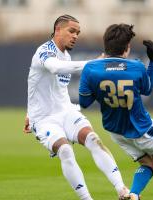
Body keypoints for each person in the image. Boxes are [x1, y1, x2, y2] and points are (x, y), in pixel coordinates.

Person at [23, 15, 131, 200]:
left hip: (66, 111)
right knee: (65, 150)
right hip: (44, 120)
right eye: (71, 31)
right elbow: (56, 68)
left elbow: (46, 86)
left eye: (78, 33)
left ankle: (122, 190)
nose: (75, 36)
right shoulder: (44, 51)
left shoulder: (66, 55)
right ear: (57, 30)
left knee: (93, 139)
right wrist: (94, 63)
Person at [78, 23, 153, 200]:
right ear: (127, 47)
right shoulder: (136, 67)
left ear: (105, 45)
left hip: (116, 131)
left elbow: (84, 102)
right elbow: (147, 89)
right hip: (141, 128)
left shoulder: (90, 69)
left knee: (148, 162)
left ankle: (133, 195)